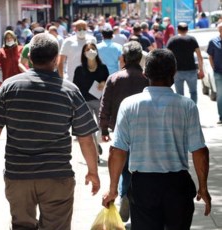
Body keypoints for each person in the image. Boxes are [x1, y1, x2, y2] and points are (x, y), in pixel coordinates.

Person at [0, 33, 100, 230]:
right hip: (57, 177)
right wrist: (93, 171)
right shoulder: (69, 91)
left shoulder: (9, 87)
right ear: (56, 58)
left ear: (30, 58)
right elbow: (85, 138)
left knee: (21, 226)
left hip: (18, 175)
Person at [102, 49, 212, 229]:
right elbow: (199, 150)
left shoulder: (129, 105)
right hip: (177, 185)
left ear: (145, 74)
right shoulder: (186, 106)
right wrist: (203, 187)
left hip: (143, 186)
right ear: (174, 72)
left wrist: (113, 188)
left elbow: (117, 150)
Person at [98, 41, 149, 222]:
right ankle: (132, 196)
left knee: (123, 165)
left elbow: (105, 105)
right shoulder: (146, 78)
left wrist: (103, 128)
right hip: (143, 130)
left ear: (124, 58)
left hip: (120, 129)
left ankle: (124, 193)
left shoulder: (114, 78)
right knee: (139, 167)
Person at [167, 22, 204, 103]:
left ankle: (182, 111)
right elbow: (199, 56)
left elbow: (167, 56)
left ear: (177, 29)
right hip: (191, 70)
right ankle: (193, 108)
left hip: (177, 71)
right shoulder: (192, 39)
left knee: (179, 94)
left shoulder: (172, 40)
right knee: (193, 92)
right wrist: (201, 69)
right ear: (187, 30)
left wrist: (169, 70)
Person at [73, 42, 109, 126]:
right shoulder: (79, 69)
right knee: (88, 127)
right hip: (85, 102)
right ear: (84, 53)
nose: (91, 51)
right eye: (88, 49)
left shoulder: (103, 67)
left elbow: (108, 82)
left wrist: (104, 83)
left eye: (93, 49)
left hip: (99, 101)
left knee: (101, 126)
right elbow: (75, 87)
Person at [207, 22, 222, 124]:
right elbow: (210, 56)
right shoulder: (213, 42)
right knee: (220, 95)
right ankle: (221, 116)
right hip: (218, 73)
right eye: (220, 29)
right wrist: (213, 67)